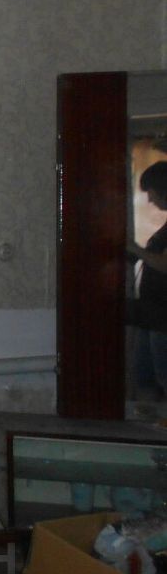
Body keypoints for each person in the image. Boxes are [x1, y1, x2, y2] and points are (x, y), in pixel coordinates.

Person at [127, 161, 167, 400]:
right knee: (144, 376)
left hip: (163, 317)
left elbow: (164, 264)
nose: (150, 199)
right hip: (152, 314)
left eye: (150, 192)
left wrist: (136, 249)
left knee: (162, 376)